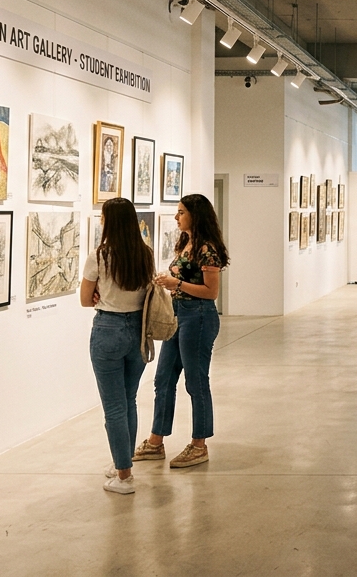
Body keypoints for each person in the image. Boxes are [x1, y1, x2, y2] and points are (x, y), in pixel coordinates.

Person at [133, 193, 229, 468]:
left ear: (195, 215)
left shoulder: (207, 249)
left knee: (196, 382)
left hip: (198, 317)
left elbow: (211, 292)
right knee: (163, 379)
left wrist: (176, 284)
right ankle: (155, 440)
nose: (176, 217)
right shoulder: (186, 242)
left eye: (181, 212)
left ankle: (199, 444)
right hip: (178, 316)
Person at [79, 197, 155, 494]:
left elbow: (86, 300)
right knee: (128, 400)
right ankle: (122, 462)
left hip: (108, 330)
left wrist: (99, 293)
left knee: (113, 406)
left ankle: (123, 476)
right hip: (138, 331)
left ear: (109, 222)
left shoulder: (100, 256)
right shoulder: (145, 254)